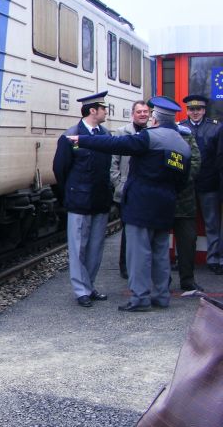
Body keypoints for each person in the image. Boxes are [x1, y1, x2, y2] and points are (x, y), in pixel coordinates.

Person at [67, 96, 190, 311]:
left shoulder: (148, 138)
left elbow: (116, 144)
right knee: (161, 252)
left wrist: (81, 140)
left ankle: (140, 298)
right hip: (166, 205)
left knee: (138, 253)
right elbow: (182, 181)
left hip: (141, 205)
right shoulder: (183, 145)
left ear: (156, 118)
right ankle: (161, 296)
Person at [52, 91, 113, 308]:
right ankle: (81, 291)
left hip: (100, 200)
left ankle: (90, 285)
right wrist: (70, 192)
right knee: (78, 247)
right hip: (79, 201)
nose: (106, 111)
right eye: (104, 108)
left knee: (95, 247)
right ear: (93, 111)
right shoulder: (70, 136)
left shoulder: (105, 135)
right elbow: (60, 169)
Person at [179, 95, 222, 273]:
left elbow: (220, 157)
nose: (194, 113)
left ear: (204, 110)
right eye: (191, 109)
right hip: (186, 184)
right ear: (187, 111)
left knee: (212, 223)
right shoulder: (180, 128)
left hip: (208, 183)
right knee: (184, 225)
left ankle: (214, 259)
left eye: (198, 109)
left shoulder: (216, 128)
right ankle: (184, 260)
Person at [110, 100, 150, 279]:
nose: (143, 114)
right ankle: (125, 266)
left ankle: (141, 264)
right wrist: (119, 185)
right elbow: (113, 163)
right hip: (126, 190)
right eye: (139, 112)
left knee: (145, 230)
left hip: (145, 191)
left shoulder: (152, 133)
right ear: (132, 114)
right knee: (128, 230)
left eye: (146, 112)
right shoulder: (121, 133)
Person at [173, 122, 202, 291]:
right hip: (163, 200)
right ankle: (162, 280)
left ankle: (187, 280)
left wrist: (181, 180)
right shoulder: (156, 136)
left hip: (185, 200)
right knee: (159, 243)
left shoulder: (186, 136)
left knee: (188, 242)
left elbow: (196, 161)